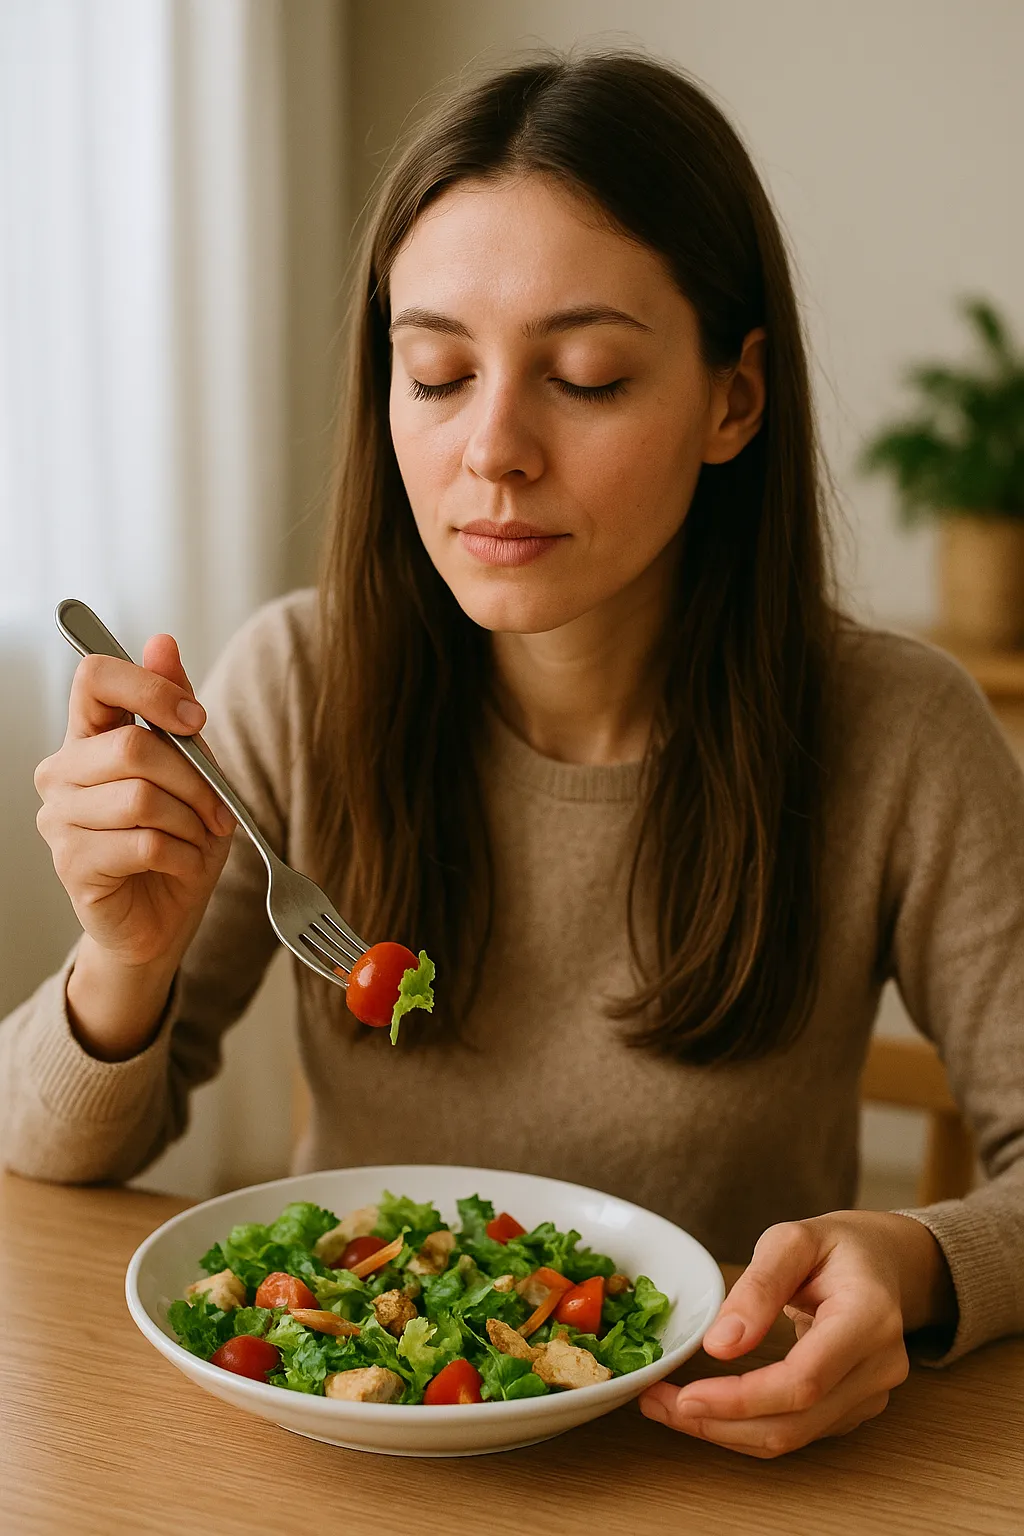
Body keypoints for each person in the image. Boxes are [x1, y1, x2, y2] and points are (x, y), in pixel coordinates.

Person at [3, 51, 1023, 1460]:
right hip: (348, 1467)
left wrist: (913, 1261)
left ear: (734, 399)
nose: (493, 450)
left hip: (717, 1465)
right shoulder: (299, 681)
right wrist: (122, 959)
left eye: (586, 377)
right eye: (436, 373)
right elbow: (48, 1158)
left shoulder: (898, 731)